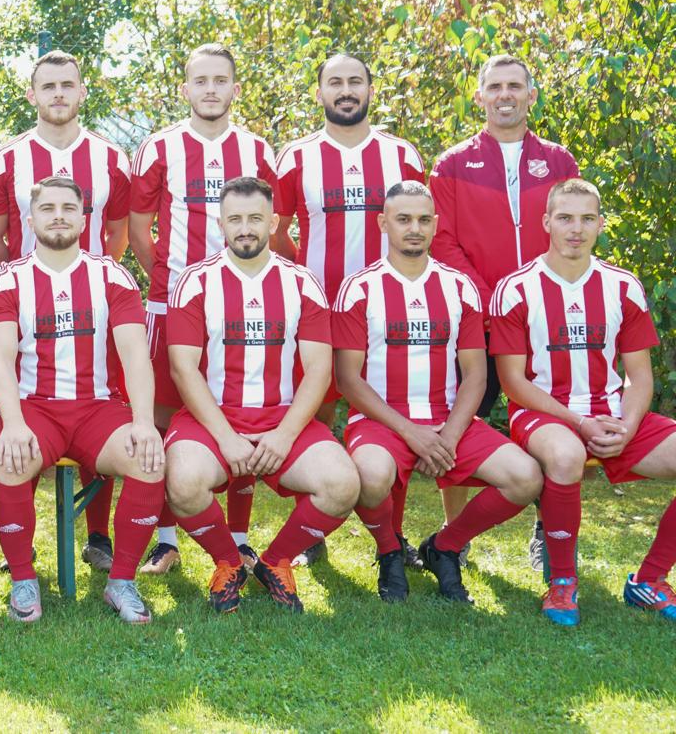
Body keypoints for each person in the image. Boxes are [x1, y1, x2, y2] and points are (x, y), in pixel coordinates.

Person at [333, 182, 541, 603]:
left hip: (446, 419)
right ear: (383, 223)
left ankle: (444, 546)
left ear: (435, 225)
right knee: (370, 478)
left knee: (526, 477)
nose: (414, 228)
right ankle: (390, 550)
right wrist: (412, 433)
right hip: (381, 421)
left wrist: (447, 436)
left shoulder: (459, 287)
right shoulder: (360, 288)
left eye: (423, 220)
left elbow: (476, 375)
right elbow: (348, 380)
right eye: (403, 219)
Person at [164, 176, 358, 614]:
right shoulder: (195, 281)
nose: (245, 228)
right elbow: (183, 369)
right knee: (182, 481)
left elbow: (319, 369)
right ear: (220, 224)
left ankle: (276, 561)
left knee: (342, 484)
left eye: (255, 218)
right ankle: (228, 562)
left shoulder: (302, 282)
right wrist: (226, 436)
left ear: (273, 222)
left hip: (280, 416)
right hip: (212, 417)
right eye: (235, 219)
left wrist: (285, 435)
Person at [491, 178, 676, 626]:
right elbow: (513, 382)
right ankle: (562, 582)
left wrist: (626, 427)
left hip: (612, 415)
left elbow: (639, 377)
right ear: (546, 222)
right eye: (566, 218)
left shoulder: (622, 286)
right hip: (542, 413)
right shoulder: (516, 288)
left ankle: (649, 579)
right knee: (567, 454)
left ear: (600, 224)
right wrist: (579, 422)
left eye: (587, 218)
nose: (576, 229)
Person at [0, 175, 165, 624]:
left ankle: (121, 581)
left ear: (84, 219)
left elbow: (135, 356)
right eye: (47, 209)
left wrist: (144, 421)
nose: (59, 216)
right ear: (30, 220)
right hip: (33, 407)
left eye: (69, 208)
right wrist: (14, 424)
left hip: (97, 408)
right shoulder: (8, 279)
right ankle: (23, 579)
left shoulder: (112, 275)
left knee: (147, 458)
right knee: (9, 456)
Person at [0, 49, 130, 570]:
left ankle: (98, 536)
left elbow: (117, 233)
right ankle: (20, 548)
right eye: (49, 86)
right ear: (32, 94)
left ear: (82, 91)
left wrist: (93, 284)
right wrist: (24, 287)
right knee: (21, 412)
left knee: (101, 401)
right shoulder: (5, 160)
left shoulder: (110, 158)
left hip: (96, 307)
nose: (59, 94)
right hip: (25, 311)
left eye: (68, 84)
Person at [130, 43, 276, 575]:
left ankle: (239, 539)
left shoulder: (256, 149)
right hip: (171, 304)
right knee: (163, 416)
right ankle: (166, 539)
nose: (210, 89)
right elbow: (138, 229)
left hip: (242, 308)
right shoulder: (160, 147)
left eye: (220, 80)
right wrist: (173, 283)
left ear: (235, 88)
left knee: (242, 408)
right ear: (185, 89)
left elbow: (270, 224)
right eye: (200, 80)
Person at [274, 52, 425, 567]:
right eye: (334, 82)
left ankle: (393, 539)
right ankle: (311, 529)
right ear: (319, 93)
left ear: (370, 90)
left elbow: (419, 226)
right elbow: (277, 231)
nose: (345, 90)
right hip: (319, 311)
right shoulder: (296, 157)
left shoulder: (401, 155)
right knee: (313, 411)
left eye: (355, 81)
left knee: (390, 415)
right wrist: (306, 278)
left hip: (386, 310)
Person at [429, 54, 579, 563]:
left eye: (515, 86)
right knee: (460, 414)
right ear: (479, 97)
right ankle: (453, 535)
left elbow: (569, 231)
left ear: (531, 95)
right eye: (494, 87)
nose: (505, 95)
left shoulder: (559, 161)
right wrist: (491, 299)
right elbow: (443, 241)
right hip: (478, 319)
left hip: (543, 320)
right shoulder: (452, 163)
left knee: (553, 420)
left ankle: (547, 530)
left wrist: (534, 297)